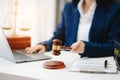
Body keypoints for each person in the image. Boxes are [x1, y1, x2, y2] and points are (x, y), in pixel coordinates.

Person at [26, 0, 120, 57]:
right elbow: (59, 36)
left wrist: (87, 48)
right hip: (69, 64)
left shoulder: (115, 9)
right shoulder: (69, 7)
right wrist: (45, 45)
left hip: (99, 66)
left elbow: (114, 47)